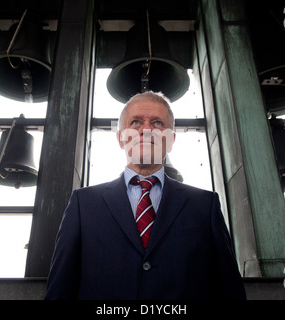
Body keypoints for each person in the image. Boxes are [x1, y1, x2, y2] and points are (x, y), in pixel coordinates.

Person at [45, 91, 246, 300]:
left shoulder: (205, 206)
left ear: (170, 140)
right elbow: (60, 289)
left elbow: (229, 290)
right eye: (136, 122)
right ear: (121, 139)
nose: (147, 129)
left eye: (158, 123)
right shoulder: (83, 204)